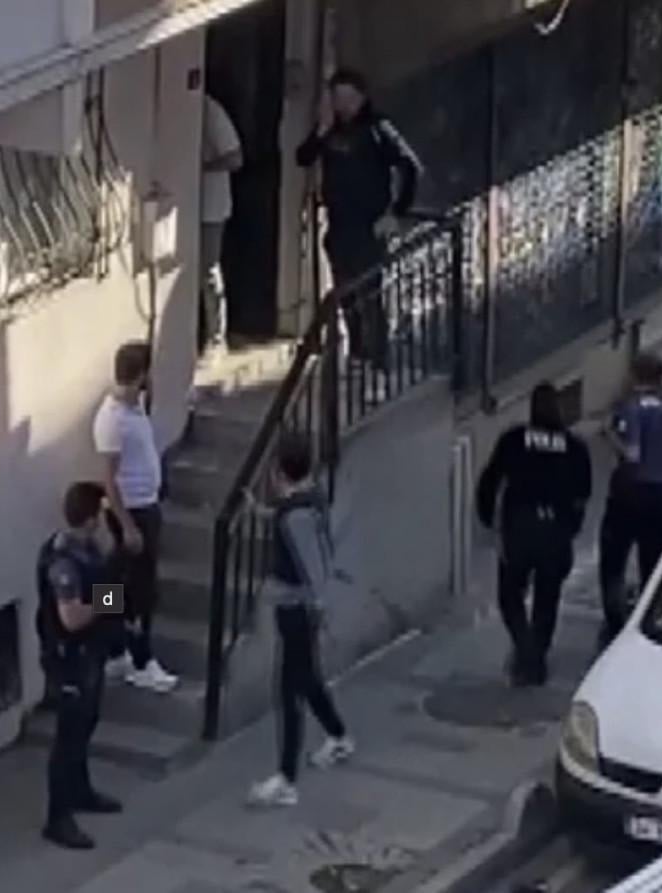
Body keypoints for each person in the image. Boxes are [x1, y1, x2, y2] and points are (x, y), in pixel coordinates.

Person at [245, 433, 355, 809]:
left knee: (290, 688)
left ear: (279, 471)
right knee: (305, 680)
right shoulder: (310, 500)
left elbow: (309, 560)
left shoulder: (295, 516)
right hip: (300, 609)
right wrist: (263, 512)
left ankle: (286, 778)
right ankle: (337, 736)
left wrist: (314, 604)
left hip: (297, 610)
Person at [296, 68, 421, 369]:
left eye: (348, 98)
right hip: (339, 225)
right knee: (346, 294)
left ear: (361, 98)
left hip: (369, 226)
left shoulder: (378, 128)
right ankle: (357, 353)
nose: (343, 106)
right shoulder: (330, 131)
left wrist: (396, 212)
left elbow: (410, 167)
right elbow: (303, 157)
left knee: (370, 295)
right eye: (337, 98)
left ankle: (378, 360)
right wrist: (321, 131)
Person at [476, 383, 593, 687]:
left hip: (519, 528)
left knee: (509, 596)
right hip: (556, 531)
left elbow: (490, 480)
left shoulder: (514, 440)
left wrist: (487, 518)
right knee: (547, 597)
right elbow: (583, 494)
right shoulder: (575, 447)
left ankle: (526, 650)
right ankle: (536, 655)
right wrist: (571, 528)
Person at [37, 482, 124, 850]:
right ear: (89, 519)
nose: (103, 521)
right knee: (68, 737)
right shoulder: (64, 562)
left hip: (90, 653)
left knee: (87, 722)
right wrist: (111, 601)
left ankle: (80, 790)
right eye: (100, 514)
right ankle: (58, 818)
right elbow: (71, 617)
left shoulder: (87, 550)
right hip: (69, 658)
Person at [598, 352, 662, 643]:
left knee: (614, 558)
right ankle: (648, 615)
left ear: (634, 375)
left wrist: (610, 434)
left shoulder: (631, 408)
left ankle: (615, 624)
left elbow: (633, 454)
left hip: (634, 494)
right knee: (654, 561)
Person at [93, 341, 179, 693]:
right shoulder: (113, 420)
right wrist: (128, 526)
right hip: (133, 511)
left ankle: (116, 646)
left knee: (120, 583)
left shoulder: (134, 407)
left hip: (145, 505)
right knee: (140, 590)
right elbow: (109, 479)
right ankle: (141, 660)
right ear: (141, 375)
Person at [199, 92, 243, 362]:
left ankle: (216, 337)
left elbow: (235, 158)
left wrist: (202, 167)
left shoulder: (211, 112)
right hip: (186, 205)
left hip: (211, 206)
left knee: (208, 270)